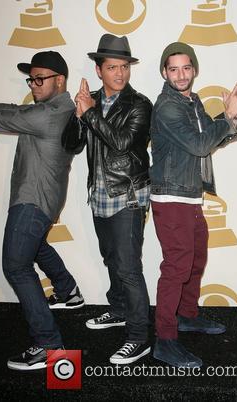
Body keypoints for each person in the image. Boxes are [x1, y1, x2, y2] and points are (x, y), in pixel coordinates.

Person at [0, 51, 84, 370]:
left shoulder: (52, 112)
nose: (34, 84)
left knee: (15, 266)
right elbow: (13, 111)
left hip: (33, 199)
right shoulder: (55, 108)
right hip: (42, 198)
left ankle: (48, 345)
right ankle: (69, 292)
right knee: (35, 246)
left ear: (60, 81)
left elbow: (8, 115)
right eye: (31, 78)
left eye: (40, 78)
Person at [149, 42, 237, 368]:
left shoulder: (192, 102)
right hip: (171, 196)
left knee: (195, 260)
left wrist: (234, 118)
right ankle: (165, 340)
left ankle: (186, 316)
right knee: (177, 267)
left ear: (194, 70)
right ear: (165, 72)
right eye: (173, 68)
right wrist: (229, 119)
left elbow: (214, 134)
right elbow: (200, 144)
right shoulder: (167, 106)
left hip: (190, 195)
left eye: (186, 67)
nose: (180, 74)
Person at [62, 34, 152, 365]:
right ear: (99, 70)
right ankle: (118, 310)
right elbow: (72, 145)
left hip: (128, 195)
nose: (120, 73)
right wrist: (77, 113)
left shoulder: (140, 104)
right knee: (111, 260)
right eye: (112, 67)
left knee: (128, 268)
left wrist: (89, 114)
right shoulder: (91, 101)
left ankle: (139, 337)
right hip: (100, 194)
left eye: (124, 67)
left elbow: (123, 143)